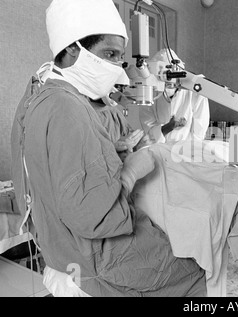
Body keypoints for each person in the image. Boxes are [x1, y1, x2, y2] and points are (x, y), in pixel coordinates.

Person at [10, 0, 206, 297]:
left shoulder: (46, 93)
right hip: (95, 263)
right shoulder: (66, 108)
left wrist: (111, 152)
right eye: (109, 54)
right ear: (74, 48)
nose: (116, 67)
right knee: (196, 274)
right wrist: (128, 172)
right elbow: (94, 216)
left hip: (64, 253)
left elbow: (66, 172)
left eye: (120, 57)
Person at [139, 49, 210, 144]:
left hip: (187, 151)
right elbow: (149, 133)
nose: (168, 82)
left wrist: (189, 152)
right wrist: (168, 128)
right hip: (158, 150)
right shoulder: (149, 92)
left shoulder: (194, 92)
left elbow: (199, 132)